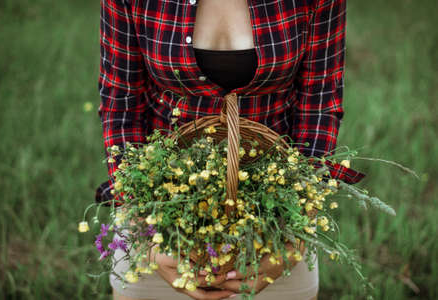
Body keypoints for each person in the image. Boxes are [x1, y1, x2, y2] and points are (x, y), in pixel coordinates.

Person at [95, 0, 365, 299]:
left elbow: (320, 99)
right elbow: (120, 102)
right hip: (158, 216)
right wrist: (143, 230)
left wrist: (294, 231)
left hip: (277, 216)